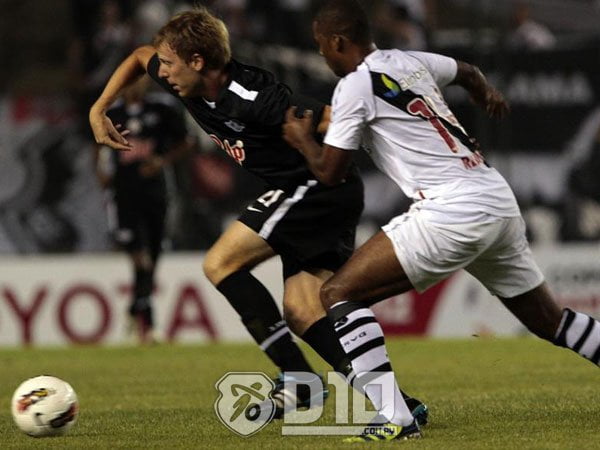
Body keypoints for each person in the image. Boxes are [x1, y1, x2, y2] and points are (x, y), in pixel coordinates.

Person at [88, 8, 428, 423]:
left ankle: (298, 378)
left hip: (316, 188)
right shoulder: (181, 76)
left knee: (220, 262)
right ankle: (398, 404)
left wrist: (410, 147)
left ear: (198, 61)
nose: (164, 73)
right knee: (304, 311)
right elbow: (140, 56)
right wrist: (99, 108)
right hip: (321, 196)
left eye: (172, 64)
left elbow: (334, 117)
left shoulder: (254, 98)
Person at [283, 0, 599, 442]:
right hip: (493, 195)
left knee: (338, 292)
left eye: (322, 47)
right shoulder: (408, 60)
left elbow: (330, 173)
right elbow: (467, 70)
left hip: (452, 208)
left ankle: (396, 417)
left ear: (338, 41)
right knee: (551, 322)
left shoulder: (354, 86)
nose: (322, 56)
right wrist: (485, 92)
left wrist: (301, 140)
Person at [95, 75, 195, 343]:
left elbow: (186, 140)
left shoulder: (162, 109)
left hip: (156, 193)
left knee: (154, 255)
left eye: (138, 80)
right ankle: (148, 326)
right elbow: (100, 148)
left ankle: (135, 309)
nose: (134, 85)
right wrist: (101, 171)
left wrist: (161, 161)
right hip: (124, 195)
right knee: (142, 259)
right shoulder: (112, 113)